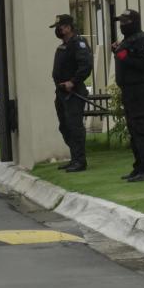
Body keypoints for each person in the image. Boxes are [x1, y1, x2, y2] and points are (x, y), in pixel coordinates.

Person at [111, 10, 144, 182]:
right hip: (128, 91)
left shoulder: (142, 39)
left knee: (142, 130)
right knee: (134, 131)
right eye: (120, 22)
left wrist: (123, 56)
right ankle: (138, 167)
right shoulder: (128, 40)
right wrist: (118, 50)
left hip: (139, 90)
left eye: (125, 21)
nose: (122, 25)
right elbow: (125, 56)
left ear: (134, 22)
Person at [50, 14, 92, 173]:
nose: (58, 31)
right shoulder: (64, 45)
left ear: (67, 27)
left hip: (73, 92)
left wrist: (73, 82)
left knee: (75, 127)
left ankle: (80, 161)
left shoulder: (78, 43)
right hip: (61, 93)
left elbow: (86, 65)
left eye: (59, 27)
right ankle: (75, 158)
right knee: (65, 127)